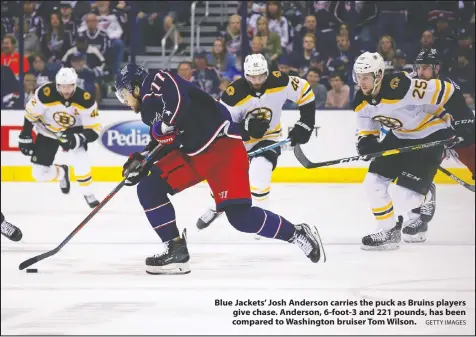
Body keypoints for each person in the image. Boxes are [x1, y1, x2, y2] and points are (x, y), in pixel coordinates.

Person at [114, 63, 325, 275]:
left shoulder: (156, 80)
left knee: (241, 218)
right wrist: (143, 161)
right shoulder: (148, 111)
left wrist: (165, 127)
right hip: (192, 153)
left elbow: (178, 100)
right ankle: (175, 250)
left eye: (125, 94)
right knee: (149, 187)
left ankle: (297, 233)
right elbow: (164, 141)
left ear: (136, 87)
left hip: (223, 147)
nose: (125, 101)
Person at [353, 51, 474, 250]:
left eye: (366, 77)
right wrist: (367, 143)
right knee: (372, 183)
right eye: (358, 77)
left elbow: (448, 90)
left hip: (431, 134)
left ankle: (426, 195)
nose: (361, 82)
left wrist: (464, 121)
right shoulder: (360, 101)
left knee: (404, 196)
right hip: (399, 136)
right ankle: (389, 231)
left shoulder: (402, 86)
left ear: (379, 75)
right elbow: (367, 129)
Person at [196, 53, 317, 232]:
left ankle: (265, 219)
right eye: (253, 77)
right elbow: (221, 124)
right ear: (245, 75)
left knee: (260, 170)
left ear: (267, 72)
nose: (258, 81)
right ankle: (218, 205)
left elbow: (305, 91)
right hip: (238, 141)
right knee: (221, 176)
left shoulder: (279, 81)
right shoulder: (233, 94)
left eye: (261, 76)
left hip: (270, 138)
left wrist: (306, 123)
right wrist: (245, 127)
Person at [405, 48, 476, 243]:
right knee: (416, 171)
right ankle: (420, 220)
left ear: (437, 68)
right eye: (419, 67)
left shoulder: (447, 87)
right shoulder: (410, 82)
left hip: (454, 135)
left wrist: (462, 132)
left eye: (426, 68)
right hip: (427, 135)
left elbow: (464, 115)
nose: (421, 72)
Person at [18, 68, 102, 208]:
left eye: (69, 86)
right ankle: (62, 172)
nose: (66, 90)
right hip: (48, 131)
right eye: (63, 86)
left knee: (81, 158)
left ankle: (87, 193)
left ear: (75, 84)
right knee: (39, 174)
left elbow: (94, 130)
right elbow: (30, 114)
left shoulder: (85, 99)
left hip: (73, 132)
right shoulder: (45, 93)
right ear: (57, 85)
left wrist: (78, 139)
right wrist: (25, 134)